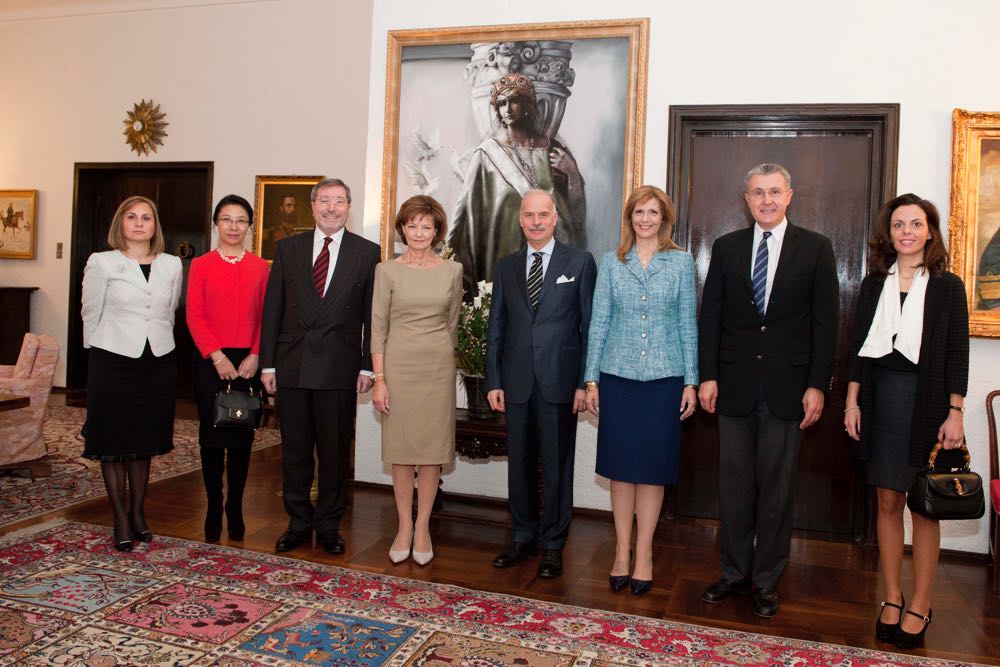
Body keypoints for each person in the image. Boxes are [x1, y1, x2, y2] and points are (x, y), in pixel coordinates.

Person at [698, 163, 838, 617]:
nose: (766, 201)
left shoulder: (816, 249)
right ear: (747, 198)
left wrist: (818, 385)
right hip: (733, 387)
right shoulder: (727, 247)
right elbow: (712, 318)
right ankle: (734, 572)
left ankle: (767, 581)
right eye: (758, 193)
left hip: (788, 391)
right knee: (734, 487)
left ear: (789, 196)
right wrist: (708, 375)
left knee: (777, 490)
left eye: (774, 192)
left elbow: (825, 324)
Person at [844, 193, 969, 649]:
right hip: (881, 403)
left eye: (916, 224)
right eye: (899, 224)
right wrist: (851, 403)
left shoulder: (948, 287)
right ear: (889, 233)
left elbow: (957, 354)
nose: (907, 232)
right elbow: (859, 349)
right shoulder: (873, 285)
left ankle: (920, 602)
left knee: (923, 507)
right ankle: (892, 597)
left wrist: (955, 412)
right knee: (886, 503)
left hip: (929, 406)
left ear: (930, 232)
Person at [583, 185, 698, 595]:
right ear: (629, 218)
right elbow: (598, 323)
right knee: (621, 470)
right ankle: (621, 551)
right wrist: (591, 379)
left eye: (653, 212)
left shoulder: (681, 263)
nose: (645, 219)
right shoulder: (613, 264)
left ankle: (645, 554)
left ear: (664, 218)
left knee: (652, 471)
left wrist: (691, 381)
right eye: (638, 213)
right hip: (617, 378)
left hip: (665, 380)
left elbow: (688, 324)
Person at [259, 178, 380, 555]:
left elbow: (370, 316)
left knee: (334, 453)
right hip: (291, 365)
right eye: (324, 200)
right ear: (313, 206)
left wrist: (366, 368)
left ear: (349, 207)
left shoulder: (367, 252)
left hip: (340, 368)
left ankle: (328, 524)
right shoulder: (287, 249)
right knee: (294, 450)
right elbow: (273, 310)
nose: (331, 207)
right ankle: (297, 521)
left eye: (339, 201)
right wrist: (267, 365)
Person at [486, 189, 596, 578]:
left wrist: (586, 382)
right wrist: (493, 380)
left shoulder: (580, 263)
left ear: (554, 219)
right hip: (515, 382)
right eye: (529, 215)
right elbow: (496, 326)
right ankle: (522, 536)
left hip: (560, 383)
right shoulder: (506, 266)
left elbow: (588, 328)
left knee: (556, 467)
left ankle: (553, 544)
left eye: (543, 215)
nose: (535, 221)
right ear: (521, 220)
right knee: (519, 464)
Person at [81, 195, 183, 552]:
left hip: (157, 361)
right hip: (112, 361)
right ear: (120, 224)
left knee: (143, 441)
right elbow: (90, 313)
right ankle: (119, 517)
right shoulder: (102, 262)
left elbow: (169, 312)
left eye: (146, 218)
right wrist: (94, 358)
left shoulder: (171, 265)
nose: (139, 223)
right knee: (113, 443)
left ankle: (138, 513)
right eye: (131, 217)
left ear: (155, 225)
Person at [371, 195, 463, 565]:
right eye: (412, 225)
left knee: (430, 453)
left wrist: (444, 358)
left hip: (437, 370)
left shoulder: (452, 271)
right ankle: (403, 526)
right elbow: (378, 327)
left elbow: (453, 323)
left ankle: (423, 526)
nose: (419, 232)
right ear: (402, 229)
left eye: (426, 226)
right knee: (401, 451)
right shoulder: (386, 271)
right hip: (397, 368)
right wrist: (379, 378)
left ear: (437, 230)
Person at [449, 74, 586, 295]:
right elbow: (464, 214)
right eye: (502, 103)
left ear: (527, 106)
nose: (508, 108)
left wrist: (572, 174)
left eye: (514, 100)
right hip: (502, 257)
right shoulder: (487, 154)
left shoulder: (553, 150)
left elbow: (575, 215)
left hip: (551, 258)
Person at [186, 194, 269, 542]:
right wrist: (216, 356)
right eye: (226, 219)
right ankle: (212, 504)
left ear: (249, 226)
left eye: (240, 220)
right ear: (216, 223)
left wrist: (255, 355)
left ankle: (235, 506)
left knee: (241, 436)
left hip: (248, 361)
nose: (233, 227)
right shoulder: (201, 265)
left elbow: (269, 316)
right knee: (211, 437)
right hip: (210, 361)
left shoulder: (263, 268)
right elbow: (194, 314)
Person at [262, 194, 301, 258]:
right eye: (288, 205)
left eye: (295, 206)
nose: (293, 209)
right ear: (281, 208)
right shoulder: (272, 233)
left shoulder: (303, 233)